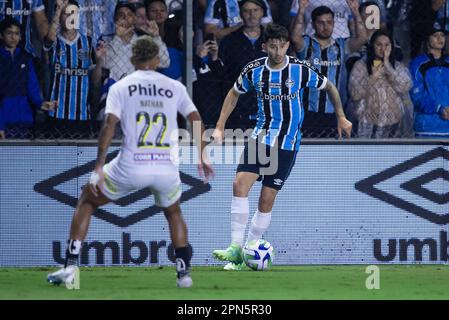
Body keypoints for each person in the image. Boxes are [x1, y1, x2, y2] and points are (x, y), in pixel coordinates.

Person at [46, 35, 215, 287]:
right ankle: (184, 274)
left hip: (131, 165)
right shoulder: (174, 87)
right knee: (174, 212)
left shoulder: (122, 87)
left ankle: (70, 266)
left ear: (133, 58)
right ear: (158, 60)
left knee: (87, 198)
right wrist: (202, 155)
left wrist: (98, 166)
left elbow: (109, 125)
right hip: (165, 166)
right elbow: (196, 118)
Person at [211, 23, 352, 270]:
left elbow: (330, 87)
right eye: (273, 46)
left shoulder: (300, 70)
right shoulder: (254, 70)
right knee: (239, 184)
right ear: (264, 46)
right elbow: (233, 93)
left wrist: (340, 116)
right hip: (261, 137)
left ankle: (249, 252)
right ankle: (234, 248)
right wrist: (220, 126)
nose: (278, 52)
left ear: (288, 45)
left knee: (266, 200)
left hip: (287, 143)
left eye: (282, 46)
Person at [290, 0, 367, 138]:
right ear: (313, 25)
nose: (326, 27)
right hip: (307, 112)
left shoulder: (341, 46)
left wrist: (355, 11)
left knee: (329, 152)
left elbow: (362, 38)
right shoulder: (306, 44)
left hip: (333, 112)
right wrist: (301, 10)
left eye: (329, 22)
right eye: (321, 23)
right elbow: (294, 37)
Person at [43, 0, 96, 138]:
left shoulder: (88, 42)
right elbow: (48, 39)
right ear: (60, 17)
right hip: (57, 111)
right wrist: (58, 10)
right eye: (66, 14)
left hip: (82, 112)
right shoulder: (55, 41)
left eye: (73, 14)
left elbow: (95, 75)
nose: (70, 18)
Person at [348, 29, 412, 138]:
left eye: (387, 45)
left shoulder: (398, 67)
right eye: (379, 45)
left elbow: (405, 87)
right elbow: (355, 94)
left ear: (392, 47)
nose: (383, 49)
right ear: (372, 46)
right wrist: (372, 78)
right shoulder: (360, 66)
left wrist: (387, 66)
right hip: (366, 122)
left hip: (393, 122)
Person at [0, 17, 55, 139]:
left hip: (25, 119)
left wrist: (41, 103)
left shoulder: (26, 58)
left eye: (17, 33)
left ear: (20, 36)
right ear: (1, 35)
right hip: (4, 118)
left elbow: (32, 86)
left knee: (24, 155)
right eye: (9, 33)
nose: (13, 37)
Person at [219, 0, 267, 129]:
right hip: (238, 107)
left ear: (262, 12)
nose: (251, 14)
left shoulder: (272, 39)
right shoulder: (229, 41)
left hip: (267, 106)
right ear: (240, 14)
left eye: (255, 10)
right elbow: (223, 73)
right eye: (247, 11)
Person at [410, 22, 449, 137]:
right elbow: (417, 96)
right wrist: (439, 109)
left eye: (442, 35)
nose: (439, 38)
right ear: (427, 39)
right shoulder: (417, 64)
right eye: (435, 35)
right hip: (426, 127)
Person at [204, 0, 272, 41]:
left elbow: (269, 29)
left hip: (257, 47)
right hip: (228, 49)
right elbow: (209, 32)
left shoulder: (261, 1)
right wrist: (240, 28)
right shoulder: (218, 1)